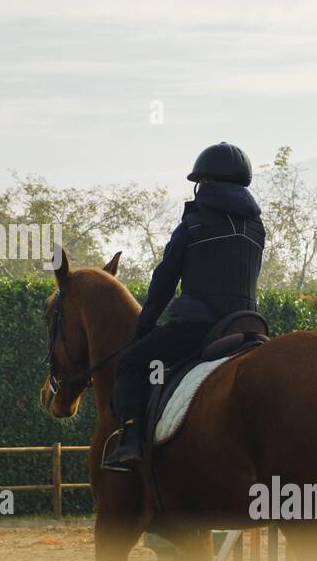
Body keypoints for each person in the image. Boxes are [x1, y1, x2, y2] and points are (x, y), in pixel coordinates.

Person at [104, 142, 266, 472]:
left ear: (203, 182)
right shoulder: (257, 228)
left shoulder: (193, 224)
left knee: (134, 363)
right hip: (248, 328)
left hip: (198, 328)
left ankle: (132, 441)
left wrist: (142, 331)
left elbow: (163, 284)